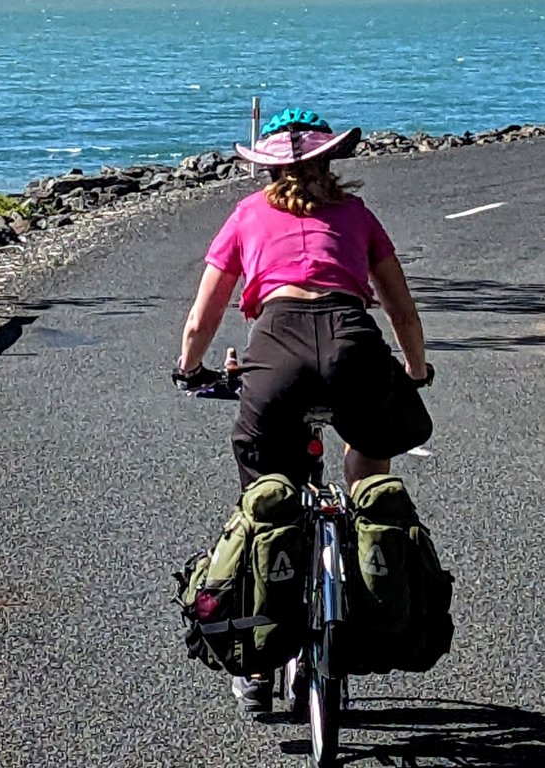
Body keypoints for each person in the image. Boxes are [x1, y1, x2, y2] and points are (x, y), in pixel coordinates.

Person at [175, 108, 434, 489]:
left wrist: (191, 370)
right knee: (372, 445)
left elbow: (203, 317)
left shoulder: (246, 215)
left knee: (267, 485)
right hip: (352, 345)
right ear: (329, 161)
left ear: (270, 168)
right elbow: (403, 313)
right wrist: (416, 371)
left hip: (276, 347)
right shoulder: (357, 214)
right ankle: (373, 517)